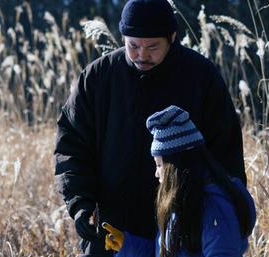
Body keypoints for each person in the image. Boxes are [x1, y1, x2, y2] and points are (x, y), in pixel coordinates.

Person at [54, 0, 246, 257]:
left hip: (181, 225)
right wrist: (80, 204)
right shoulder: (99, 77)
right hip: (111, 228)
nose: (142, 55)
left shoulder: (201, 77)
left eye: (153, 47)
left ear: (172, 38)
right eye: (133, 45)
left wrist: (219, 212)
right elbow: (71, 147)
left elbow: (226, 155)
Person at [101, 105, 256, 257]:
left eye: (159, 164)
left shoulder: (214, 209)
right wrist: (128, 246)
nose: (156, 173)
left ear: (174, 166)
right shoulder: (184, 203)